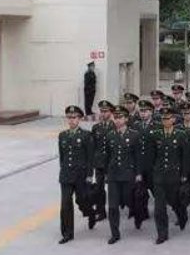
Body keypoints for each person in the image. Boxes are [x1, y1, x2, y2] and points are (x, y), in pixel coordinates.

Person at [147, 107, 188, 244]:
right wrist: (152, 172)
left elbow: (184, 157)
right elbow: (151, 156)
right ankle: (162, 233)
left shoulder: (181, 135)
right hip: (159, 176)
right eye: (163, 118)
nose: (165, 120)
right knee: (159, 208)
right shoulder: (156, 134)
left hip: (174, 175)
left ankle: (182, 215)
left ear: (174, 119)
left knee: (175, 202)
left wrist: (184, 175)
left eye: (168, 118)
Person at [103, 107, 142, 244]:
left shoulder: (134, 135)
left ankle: (138, 216)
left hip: (128, 174)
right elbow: (107, 156)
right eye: (116, 117)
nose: (118, 120)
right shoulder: (110, 135)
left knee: (129, 201)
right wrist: (106, 174)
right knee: (113, 206)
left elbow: (137, 156)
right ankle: (115, 233)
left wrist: (138, 173)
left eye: (120, 118)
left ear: (126, 119)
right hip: (114, 174)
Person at [57, 105, 95, 244]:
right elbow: (62, 157)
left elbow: (90, 158)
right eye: (69, 118)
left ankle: (90, 213)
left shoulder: (86, 136)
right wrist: (63, 170)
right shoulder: (62, 136)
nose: (72, 120)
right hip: (66, 175)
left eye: (74, 118)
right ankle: (67, 233)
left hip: (81, 175)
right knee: (65, 204)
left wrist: (90, 175)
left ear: (79, 119)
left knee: (82, 200)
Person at [90, 100, 115, 229]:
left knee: (112, 189)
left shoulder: (115, 126)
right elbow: (93, 146)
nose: (103, 114)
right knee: (99, 188)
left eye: (106, 111)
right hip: (99, 163)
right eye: (102, 111)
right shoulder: (96, 128)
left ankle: (113, 210)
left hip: (111, 162)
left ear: (111, 113)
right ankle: (101, 211)